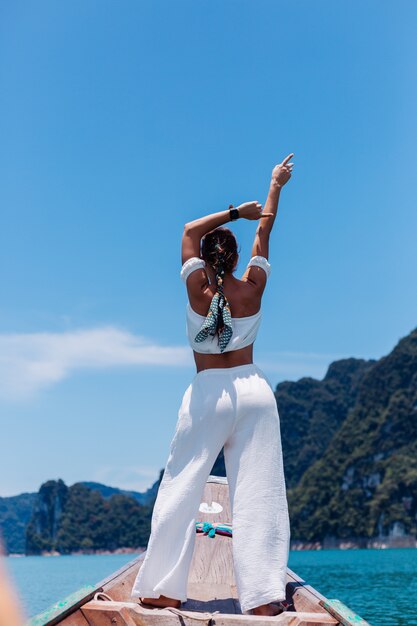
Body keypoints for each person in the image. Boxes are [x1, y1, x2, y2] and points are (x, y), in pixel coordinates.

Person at [131, 153, 295, 616]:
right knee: (259, 493)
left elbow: (187, 230)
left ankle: (162, 589)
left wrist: (231, 212)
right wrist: (274, 186)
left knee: (182, 487)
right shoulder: (253, 287)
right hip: (254, 393)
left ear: (202, 260)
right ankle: (263, 598)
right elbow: (265, 231)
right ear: (238, 258)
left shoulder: (196, 289)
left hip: (208, 393)